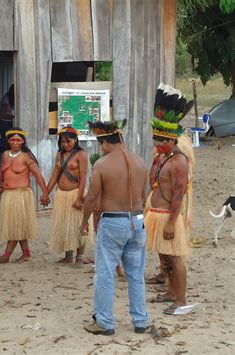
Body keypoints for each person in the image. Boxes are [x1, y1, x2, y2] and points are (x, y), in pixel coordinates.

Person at [79, 119, 148, 336]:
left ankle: (105, 322)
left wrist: (84, 222)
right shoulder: (140, 162)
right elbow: (144, 196)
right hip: (137, 220)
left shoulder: (102, 164)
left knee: (105, 273)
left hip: (113, 221)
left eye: (101, 145)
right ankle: (140, 320)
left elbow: (91, 198)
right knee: (136, 274)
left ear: (105, 143)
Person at [145, 83, 195, 315]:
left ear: (172, 139)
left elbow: (178, 195)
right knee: (165, 257)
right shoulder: (162, 157)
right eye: (155, 139)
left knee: (175, 258)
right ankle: (171, 292)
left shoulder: (179, 161)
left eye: (162, 140)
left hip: (168, 216)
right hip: (157, 215)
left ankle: (181, 298)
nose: (157, 143)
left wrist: (173, 222)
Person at [0, 127, 50, 264]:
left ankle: (6, 255)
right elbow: (2, 169)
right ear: (8, 141)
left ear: (23, 141)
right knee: (18, 225)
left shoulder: (26, 156)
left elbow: (38, 175)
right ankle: (26, 254)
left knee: (15, 226)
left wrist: (45, 193)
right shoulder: (6, 154)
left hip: (21, 196)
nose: (15, 142)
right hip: (8, 195)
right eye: (12, 140)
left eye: (18, 140)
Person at [46, 127, 90, 265]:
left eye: (68, 141)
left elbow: (83, 178)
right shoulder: (59, 155)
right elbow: (54, 175)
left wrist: (79, 198)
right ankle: (68, 255)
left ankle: (80, 256)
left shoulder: (81, 154)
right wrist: (46, 193)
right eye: (62, 142)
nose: (65, 144)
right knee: (65, 225)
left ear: (75, 140)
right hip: (62, 195)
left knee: (78, 224)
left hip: (75, 193)